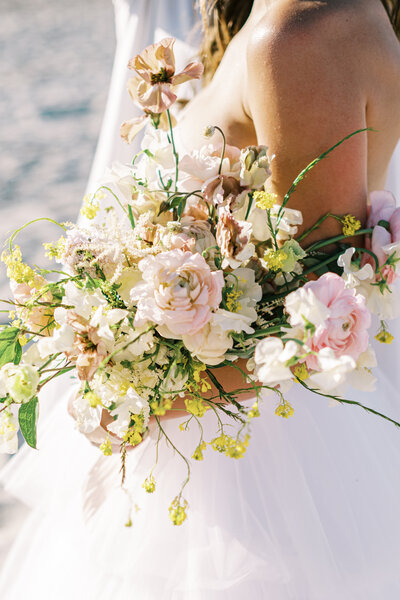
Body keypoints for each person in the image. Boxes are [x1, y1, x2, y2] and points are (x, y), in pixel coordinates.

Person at [1, 1, 400, 598]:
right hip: (255, 446)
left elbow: (316, 323)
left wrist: (137, 404)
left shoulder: (301, 37)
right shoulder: (300, 22)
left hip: (263, 482)